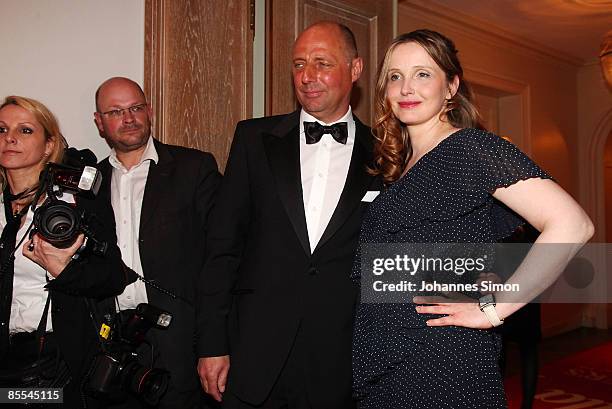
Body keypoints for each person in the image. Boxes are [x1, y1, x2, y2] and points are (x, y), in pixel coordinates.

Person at [351, 30, 594, 408]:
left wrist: (495, 308)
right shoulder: (396, 166)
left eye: (423, 74)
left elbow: (573, 224)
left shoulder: (471, 149)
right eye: (395, 76)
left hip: (440, 354)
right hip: (387, 349)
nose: (406, 87)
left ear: (451, 86)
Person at [197, 21, 382, 409]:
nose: (308, 76)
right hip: (254, 354)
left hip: (343, 358)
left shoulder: (388, 155)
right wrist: (212, 344)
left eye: (322, 63)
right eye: (298, 65)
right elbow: (222, 249)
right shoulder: (253, 139)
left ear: (355, 69)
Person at [93, 77, 221, 409]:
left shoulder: (195, 169)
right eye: (115, 111)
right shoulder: (89, 184)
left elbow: (222, 259)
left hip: (180, 340)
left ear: (149, 111)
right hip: (110, 341)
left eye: (136, 108)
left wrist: (215, 343)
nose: (129, 118)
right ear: (100, 123)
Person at [0, 95, 135, 408]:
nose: (10, 138)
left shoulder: (75, 204)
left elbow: (113, 277)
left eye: (25, 131)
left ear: (49, 145)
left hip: (52, 361)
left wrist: (64, 269)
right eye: (2, 129)